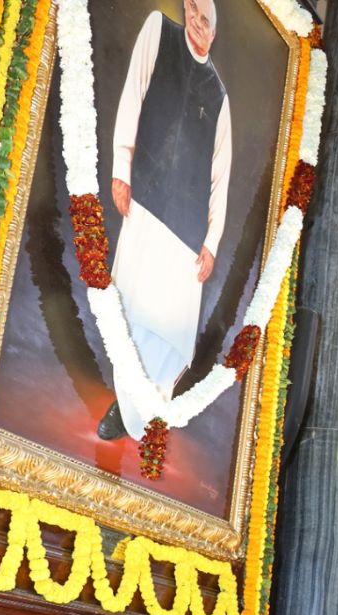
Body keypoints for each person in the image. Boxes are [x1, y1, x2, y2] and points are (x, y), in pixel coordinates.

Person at [102, 0, 233, 441]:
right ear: (185, 12)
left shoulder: (219, 96)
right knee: (131, 310)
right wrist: (122, 169)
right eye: (194, 17)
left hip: (187, 233)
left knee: (170, 333)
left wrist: (212, 241)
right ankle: (126, 407)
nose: (198, 28)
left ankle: (136, 411)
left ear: (215, 32)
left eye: (206, 24)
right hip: (147, 204)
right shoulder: (159, 31)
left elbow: (221, 176)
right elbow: (133, 96)